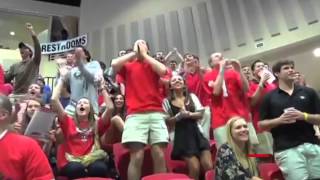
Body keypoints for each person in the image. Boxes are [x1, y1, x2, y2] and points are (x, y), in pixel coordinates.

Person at [111, 39, 169, 180]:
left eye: (142, 43)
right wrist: (133, 54)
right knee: (137, 156)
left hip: (156, 113)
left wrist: (145, 55)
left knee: (159, 155)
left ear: (148, 49)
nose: (139, 45)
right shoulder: (128, 66)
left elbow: (163, 71)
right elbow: (114, 64)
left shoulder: (153, 65)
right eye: (137, 44)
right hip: (135, 115)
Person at [259, 60, 320, 180]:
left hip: (312, 145)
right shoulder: (269, 97)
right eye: (286, 68)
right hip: (286, 150)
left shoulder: (309, 92)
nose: (291, 70)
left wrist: (304, 116)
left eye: (292, 67)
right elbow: (261, 125)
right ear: (277, 73)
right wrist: (279, 120)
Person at [51, 72, 112, 179]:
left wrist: (102, 88)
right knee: (77, 169)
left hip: (90, 159)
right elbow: (54, 100)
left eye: (85, 103)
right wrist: (62, 79)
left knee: (100, 168)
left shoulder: (96, 123)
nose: (82, 104)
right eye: (79, 103)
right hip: (70, 161)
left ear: (90, 109)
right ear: (75, 109)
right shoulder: (68, 121)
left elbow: (110, 108)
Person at [163, 75, 213, 180]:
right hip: (181, 137)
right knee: (195, 168)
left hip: (197, 134)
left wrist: (189, 114)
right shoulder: (166, 102)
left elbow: (200, 114)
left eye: (180, 79)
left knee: (208, 166)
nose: (177, 81)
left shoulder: (192, 97)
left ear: (184, 84)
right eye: (174, 80)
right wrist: (178, 117)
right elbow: (167, 122)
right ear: (170, 86)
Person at [203, 53, 254, 146]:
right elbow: (216, 92)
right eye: (216, 56)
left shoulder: (233, 73)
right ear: (211, 63)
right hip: (221, 119)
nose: (221, 56)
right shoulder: (207, 76)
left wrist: (238, 69)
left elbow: (246, 89)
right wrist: (222, 70)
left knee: (249, 150)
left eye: (221, 55)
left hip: (240, 116)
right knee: (227, 152)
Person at [0, 95, 54, 180]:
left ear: (2, 115)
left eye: (36, 106)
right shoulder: (18, 127)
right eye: (30, 106)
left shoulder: (27, 145)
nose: (33, 108)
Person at [247, 60, 276, 154]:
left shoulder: (272, 85)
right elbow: (252, 103)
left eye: (263, 66)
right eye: (258, 66)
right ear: (253, 72)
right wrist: (261, 83)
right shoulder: (250, 86)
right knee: (267, 154)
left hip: (276, 123)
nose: (261, 68)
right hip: (261, 125)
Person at [63, 46, 103, 116]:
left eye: (78, 52)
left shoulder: (94, 64)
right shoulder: (72, 70)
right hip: (72, 108)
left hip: (90, 108)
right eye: (74, 54)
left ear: (86, 55)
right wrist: (61, 74)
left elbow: (93, 80)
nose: (75, 55)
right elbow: (64, 91)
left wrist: (80, 64)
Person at [5, 23, 42, 94]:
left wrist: (32, 32)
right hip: (16, 96)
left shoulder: (34, 62)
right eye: (21, 48)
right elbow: (5, 79)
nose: (22, 49)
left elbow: (37, 48)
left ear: (30, 52)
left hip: (30, 96)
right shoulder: (14, 66)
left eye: (25, 48)